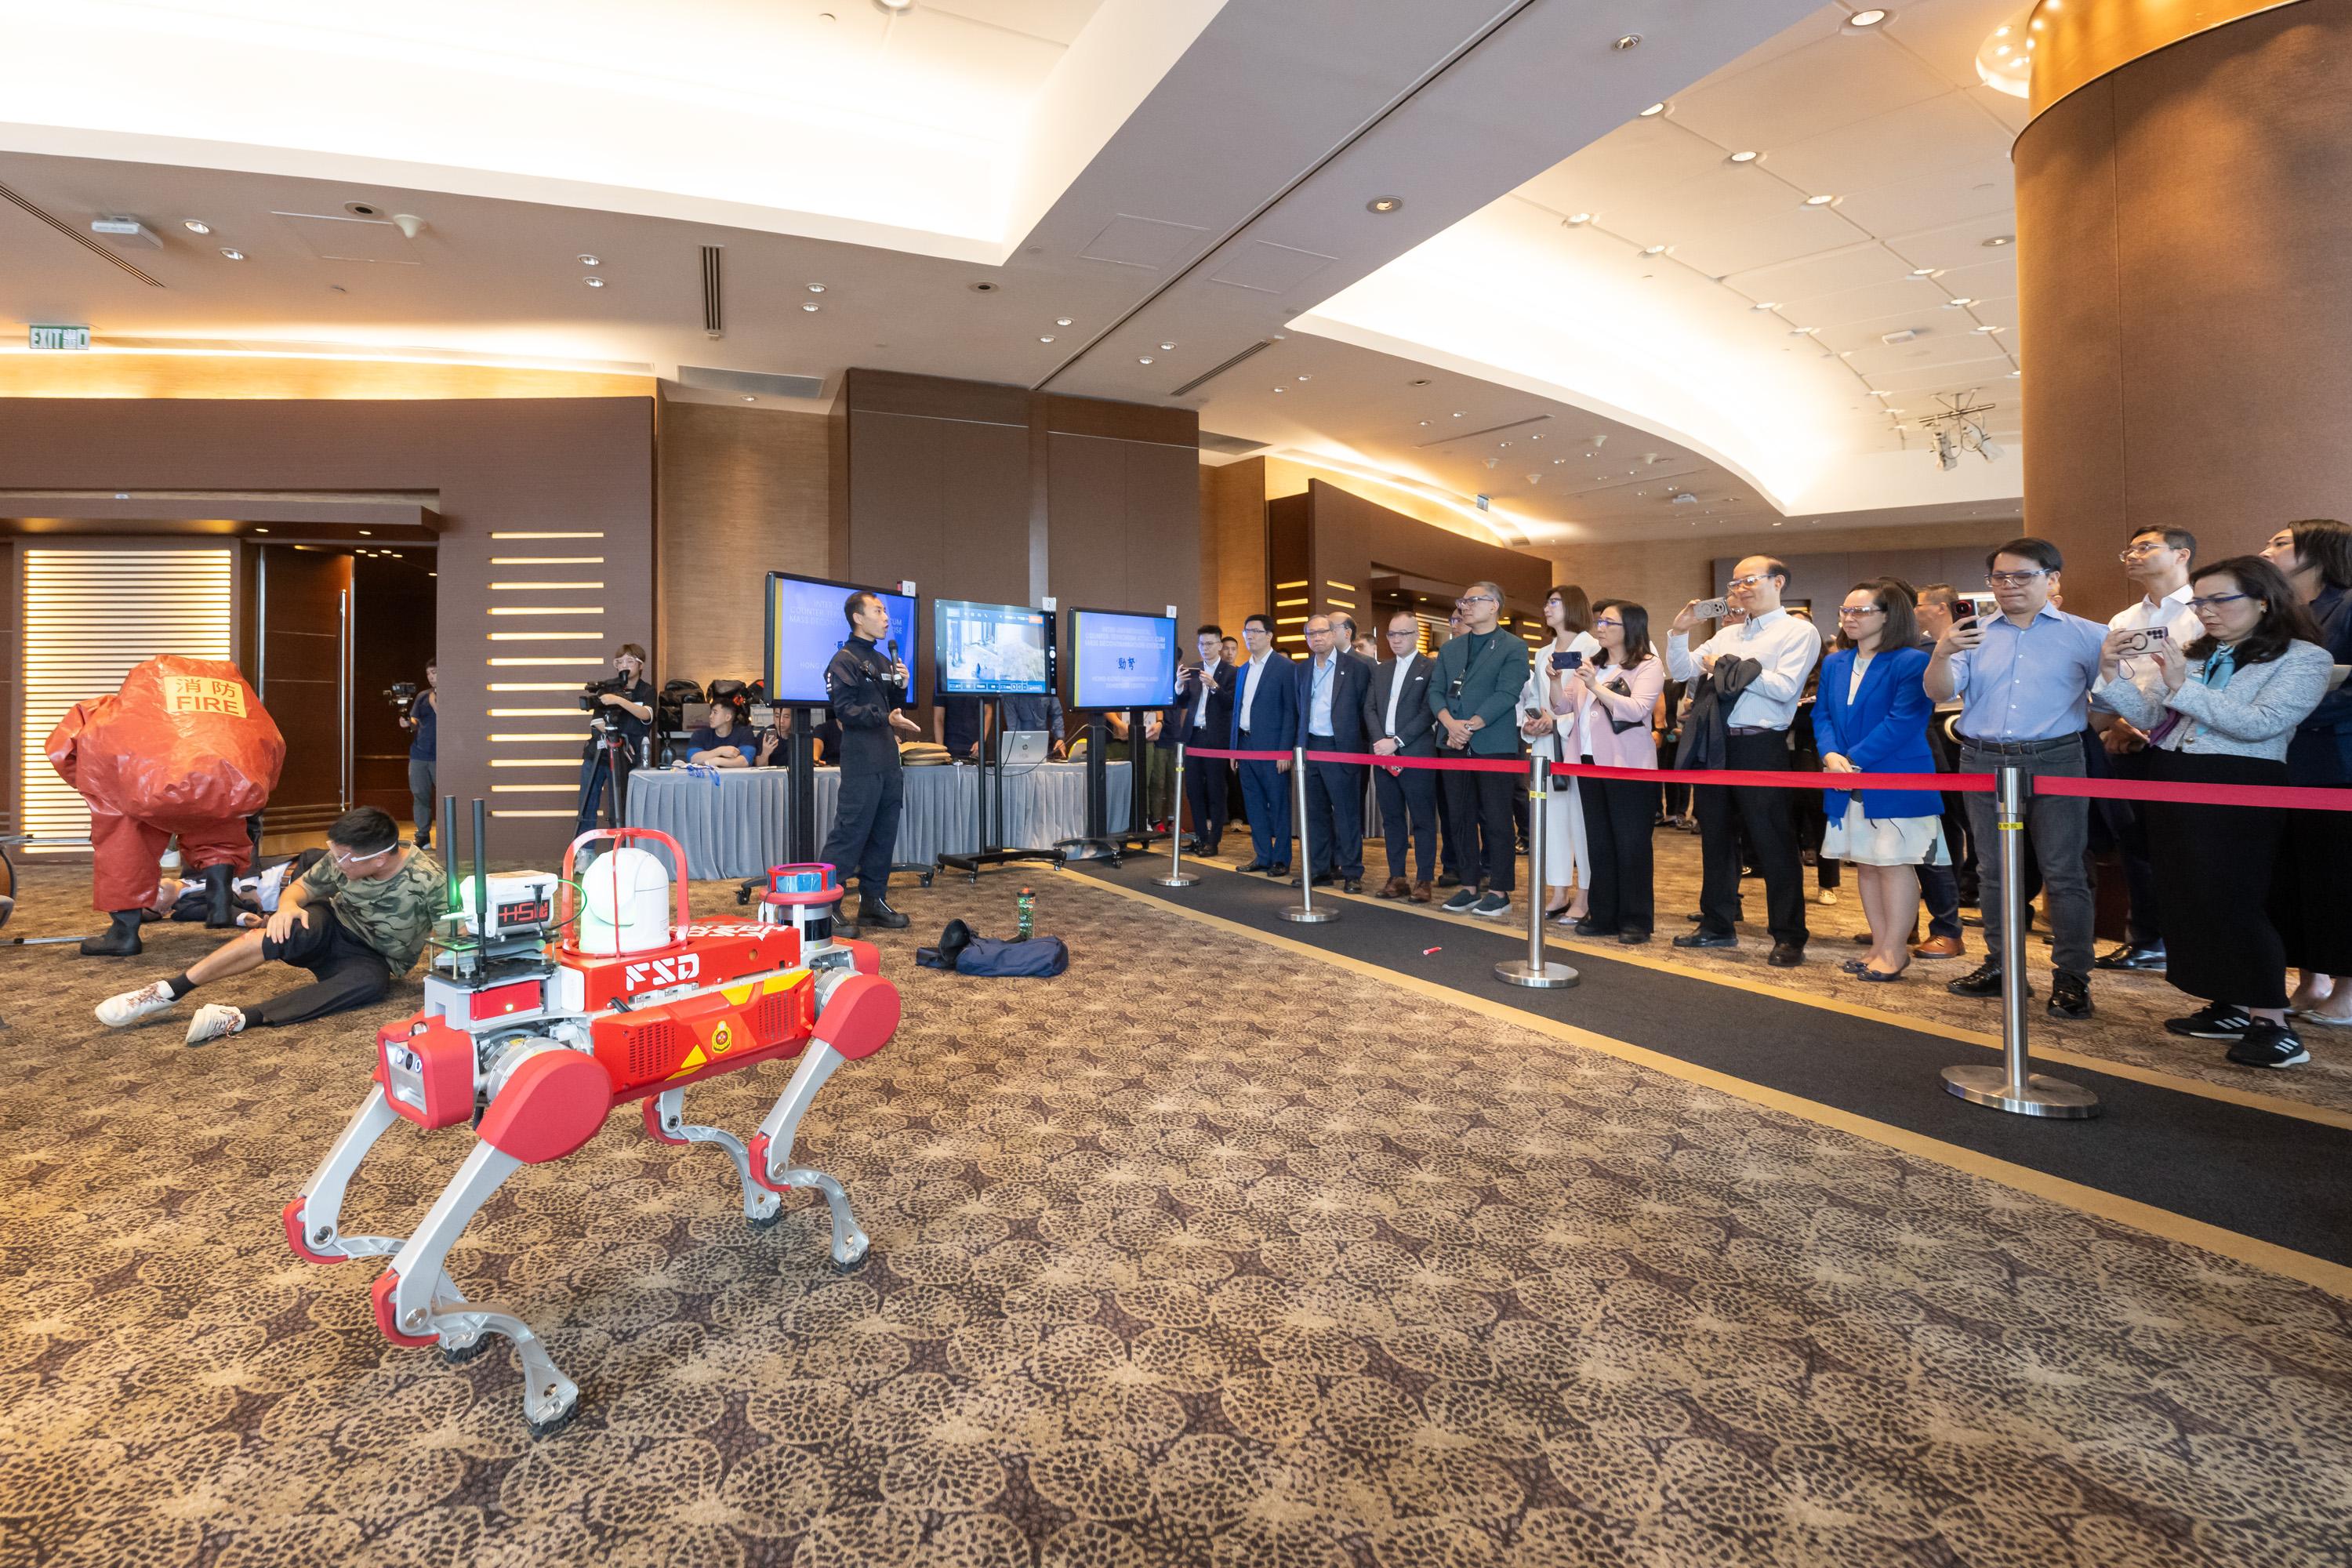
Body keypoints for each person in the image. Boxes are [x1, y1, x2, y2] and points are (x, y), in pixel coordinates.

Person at [2091, 556, 2330, 1067]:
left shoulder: (2302, 658)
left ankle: (2273, 1023)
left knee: (2235, 897)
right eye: (2200, 601)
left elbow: (2259, 723)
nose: (2207, 611)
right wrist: (2109, 673)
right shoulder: (2198, 653)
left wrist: (2183, 686)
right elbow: (2152, 715)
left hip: (2242, 781)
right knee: (2187, 894)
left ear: (2263, 600)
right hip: (2173, 773)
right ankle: (2227, 1001)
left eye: (2220, 600)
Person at [1926, 539, 2107, 1018]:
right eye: (1999, 578)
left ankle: (2072, 977)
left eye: (2022, 576)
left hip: (2056, 758)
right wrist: (1942, 653)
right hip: (1982, 758)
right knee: (1992, 870)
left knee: (2063, 871)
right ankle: (2002, 965)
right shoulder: (1975, 632)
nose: (2009, 586)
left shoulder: (2089, 635)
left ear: (2053, 580)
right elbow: (1940, 690)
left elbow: (2111, 701)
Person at [96, 807, 445, 1046]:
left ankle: (238, 1018)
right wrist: (288, 907)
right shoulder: (348, 857)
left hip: (376, 956)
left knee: (370, 985)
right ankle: (169, 991)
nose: (337, 862)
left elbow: (455, 933)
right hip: (333, 924)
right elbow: (305, 887)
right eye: (334, 853)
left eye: (342, 858)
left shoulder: (429, 880)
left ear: (380, 858)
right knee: (287, 927)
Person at [1666, 557, 1822, 967]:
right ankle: (1717, 924)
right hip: (1717, 743)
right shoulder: (1728, 634)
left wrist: (1730, 669)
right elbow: (1682, 669)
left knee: (1773, 840)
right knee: (1715, 836)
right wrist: (1679, 632)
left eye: (1749, 580)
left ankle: (1789, 935)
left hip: (1761, 745)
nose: (1740, 589)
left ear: (1779, 582)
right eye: (1735, 583)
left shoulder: (1799, 632)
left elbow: (1785, 687)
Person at [1814, 581, 1947, 980]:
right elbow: (1821, 715)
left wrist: (1851, 761)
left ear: (1889, 615)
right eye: (1845, 611)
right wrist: (1829, 754)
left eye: (1861, 611)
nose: (1849, 618)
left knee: (1893, 864)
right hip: (1843, 777)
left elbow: (1905, 722)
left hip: (1897, 775)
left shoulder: (1910, 661)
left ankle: (1894, 951)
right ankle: (1878, 945)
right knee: (1867, 866)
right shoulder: (1837, 662)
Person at [2092, 527, 2205, 974]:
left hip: (2187, 746)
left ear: (2182, 554)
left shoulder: (2203, 613)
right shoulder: (2122, 620)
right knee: (2134, 846)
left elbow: (2199, 684)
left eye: (2145, 547)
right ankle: (2147, 940)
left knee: (2187, 849)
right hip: (2126, 742)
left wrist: (2151, 728)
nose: (2132, 556)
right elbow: (2109, 681)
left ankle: (2191, 943)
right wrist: (2121, 725)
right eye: (2129, 550)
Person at [2259, 519, 2352, 1028]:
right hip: (2285, 761)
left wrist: (2288, 708)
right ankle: (2310, 977)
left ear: (2317, 551)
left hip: (2337, 763)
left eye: (2279, 542)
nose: (2266, 549)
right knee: (2295, 877)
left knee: (2338, 876)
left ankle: (2347, 987)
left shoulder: (2349, 604)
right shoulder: (2286, 613)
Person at [821, 591, 923, 934]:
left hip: (887, 757)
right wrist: (886, 716)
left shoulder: (881, 660)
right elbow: (846, 711)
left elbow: (889, 707)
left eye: (885, 611)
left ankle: (873, 903)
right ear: (857, 618)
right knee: (850, 834)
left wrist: (901, 688)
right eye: (877, 611)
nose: (885, 617)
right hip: (861, 759)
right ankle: (826, 907)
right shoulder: (843, 660)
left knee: (884, 833)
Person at [1433, 582, 1533, 919]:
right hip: (1452, 742)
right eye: (1464, 600)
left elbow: (1507, 693)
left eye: (1475, 600)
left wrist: (1469, 726)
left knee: (1497, 818)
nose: (1467, 605)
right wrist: (1450, 724)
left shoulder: (1514, 646)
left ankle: (1500, 890)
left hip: (1493, 744)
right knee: (1459, 816)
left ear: (1495, 606)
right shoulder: (1451, 649)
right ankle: (1469, 885)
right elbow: (1436, 692)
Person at [1569, 599, 1664, 942]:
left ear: (1631, 629)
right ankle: (1604, 914)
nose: (1601, 627)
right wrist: (1554, 680)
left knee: (1632, 843)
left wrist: (1595, 686)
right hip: (1589, 761)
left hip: (1629, 766)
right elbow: (1564, 704)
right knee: (1600, 842)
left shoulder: (1648, 665)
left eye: (1609, 622)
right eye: (1601, 622)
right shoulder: (1591, 664)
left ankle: (1636, 919)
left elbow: (1638, 709)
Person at [1518, 586, 1599, 924]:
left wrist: (1559, 722)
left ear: (1573, 606)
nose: (1547, 607)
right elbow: (1534, 696)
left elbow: (1591, 700)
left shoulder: (1592, 646)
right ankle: (1559, 891)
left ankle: (1586, 894)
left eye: (1554, 602)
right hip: (1545, 746)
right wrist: (1530, 721)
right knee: (1549, 819)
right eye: (1547, 601)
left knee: (1581, 820)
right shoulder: (1543, 652)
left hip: (1578, 744)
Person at [1295, 614, 1373, 892]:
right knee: (1315, 813)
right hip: (1311, 747)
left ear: (1334, 634)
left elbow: (1366, 711)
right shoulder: (1302, 669)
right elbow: (1298, 711)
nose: (1317, 638)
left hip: (1341, 748)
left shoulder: (1355, 668)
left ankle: (1352, 872)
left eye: (1322, 633)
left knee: (1347, 813)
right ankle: (1319, 869)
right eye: (1311, 634)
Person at [1365, 610, 1439, 901]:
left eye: (1403, 634)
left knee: (1422, 819)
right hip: (1383, 755)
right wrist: (1380, 741)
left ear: (1416, 634)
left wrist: (1397, 741)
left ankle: (1424, 880)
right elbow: (1369, 708)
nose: (1396, 639)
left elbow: (1428, 711)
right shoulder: (1381, 669)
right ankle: (1397, 877)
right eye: (1391, 634)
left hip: (1417, 753)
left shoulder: (1430, 667)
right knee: (1392, 818)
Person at [1229, 613, 1298, 876]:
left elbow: (1291, 712)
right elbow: (1238, 710)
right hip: (1245, 746)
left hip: (1273, 749)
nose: (1250, 636)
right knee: (1254, 804)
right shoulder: (1243, 669)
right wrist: (1234, 749)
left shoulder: (1285, 667)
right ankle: (1262, 855)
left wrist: (1285, 750)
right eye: (1247, 631)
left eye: (1256, 631)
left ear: (1270, 635)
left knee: (1278, 805)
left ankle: (1281, 858)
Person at [575, 644, 654, 837]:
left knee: (619, 806)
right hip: (598, 753)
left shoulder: (647, 691)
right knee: (587, 803)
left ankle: (618, 851)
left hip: (626, 757)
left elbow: (646, 715)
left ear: (640, 665)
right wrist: (613, 734)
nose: (624, 666)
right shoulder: (608, 688)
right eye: (620, 662)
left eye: (630, 661)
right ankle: (585, 852)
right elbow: (597, 721)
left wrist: (618, 701)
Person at [1173, 624, 1234, 855]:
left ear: (1219, 645)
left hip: (1216, 738)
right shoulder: (1194, 669)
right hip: (1193, 736)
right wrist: (1179, 684)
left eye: (1209, 644)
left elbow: (1231, 704)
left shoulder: (1231, 672)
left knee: (1216, 791)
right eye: (1201, 644)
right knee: (1194, 790)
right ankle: (1200, 837)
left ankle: (1213, 840)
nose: (1205, 649)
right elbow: (1183, 701)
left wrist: (1215, 686)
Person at [400, 661, 437, 850]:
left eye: (434, 673)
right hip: (419, 754)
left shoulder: (453, 694)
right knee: (420, 795)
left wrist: (434, 702)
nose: (431, 677)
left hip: (443, 756)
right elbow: (415, 721)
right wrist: (408, 722)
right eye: (428, 674)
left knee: (448, 796)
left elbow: (450, 719)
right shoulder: (422, 696)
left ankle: (451, 835)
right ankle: (423, 835)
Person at [685, 697, 759, 766]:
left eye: (715, 713)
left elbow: (745, 761)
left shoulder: (744, 733)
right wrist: (720, 751)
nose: (710, 716)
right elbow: (693, 759)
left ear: (728, 717)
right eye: (711, 713)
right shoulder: (700, 734)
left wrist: (717, 761)